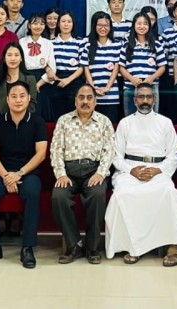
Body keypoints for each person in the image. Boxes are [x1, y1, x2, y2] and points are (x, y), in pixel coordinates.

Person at [105, 83, 177, 265]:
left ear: (154, 100)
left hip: (158, 170)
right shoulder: (125, 123)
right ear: (134, 100)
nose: (145, 101)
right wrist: (131, 170)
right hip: (130, 170)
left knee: (169, 193)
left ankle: (172, 245)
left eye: (148, 97)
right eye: (141, 97)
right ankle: (133, 246)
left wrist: (159, 170)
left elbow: (173, 154)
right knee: (122, 194)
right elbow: (115, 156)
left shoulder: (165, 122)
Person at [0, 81, 47, 268]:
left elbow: (40, 154)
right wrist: (7, 175)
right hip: (2, 172)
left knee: (32, 194)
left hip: (29, 172)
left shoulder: (37, 122)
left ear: (29, 98)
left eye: (22, 96)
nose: (18, 100)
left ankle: (28, 247)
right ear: (7, 100)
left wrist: (19, 173)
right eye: (14, 96)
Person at [50, 84, 114, 264]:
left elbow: (110, 151)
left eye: (89, 98)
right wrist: (61, 174)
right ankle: (74, 244)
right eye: (81, 97)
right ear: (75, 100)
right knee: (58, 196)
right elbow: (55, 150)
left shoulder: (104, 122)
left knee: (98, 194)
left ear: (95, 101)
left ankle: (92, 248)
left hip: (93, 171)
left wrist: (101, 173)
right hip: (68, 172)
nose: (85, 101)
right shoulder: (64, 120)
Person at [119, 13, 165, 115]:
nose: (142, 26)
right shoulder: (126, 45)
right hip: (130, 86)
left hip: (151, 86)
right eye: (139, 23)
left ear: (149, 26)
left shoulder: (156, 44)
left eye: (145, 24)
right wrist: (132, 79)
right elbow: (121, 67)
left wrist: (151, 78)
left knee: (153, 117)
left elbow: (162, 67)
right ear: (134, 25)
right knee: (130, 118)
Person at [84, 11, 124, 123]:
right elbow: (86, 70)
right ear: (94, 26)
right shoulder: (88, 46)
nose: (103, 28)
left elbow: (116, 69)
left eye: (106, 25)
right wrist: (93, 89)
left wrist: (107, 88)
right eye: (100, 25)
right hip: (91, 97)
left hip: (111, 96)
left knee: (110, 128)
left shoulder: (116, 45)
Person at [50, 11, 88, 119]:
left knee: (74, 116)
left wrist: (68, 80)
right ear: (58, 24)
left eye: (69, 21)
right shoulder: (51, 43)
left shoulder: (80, 42)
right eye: (63, 21)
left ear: (73, 24)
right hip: (56, 81)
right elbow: (48, 64)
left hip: (74, 80)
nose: (66, 24)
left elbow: (82, 67)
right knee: (57, 116)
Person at [0, 42, 39, 119]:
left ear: (21, 58)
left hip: (24, 123)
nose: (13, 58)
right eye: (9, 55)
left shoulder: (30, 79)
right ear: (4, 59)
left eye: (16, 55)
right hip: (1, 123)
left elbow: (32, 104)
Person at [19, 13, 56, 119]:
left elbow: (52, 68)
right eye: (35, 23)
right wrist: (30, 85)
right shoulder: (21, 42)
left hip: (43, 81)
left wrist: (37, 85)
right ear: (29, 25)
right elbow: (19, 63)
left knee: (40, 113)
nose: (38, 26)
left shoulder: (48, 43)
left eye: (41, 24)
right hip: (25, 79)